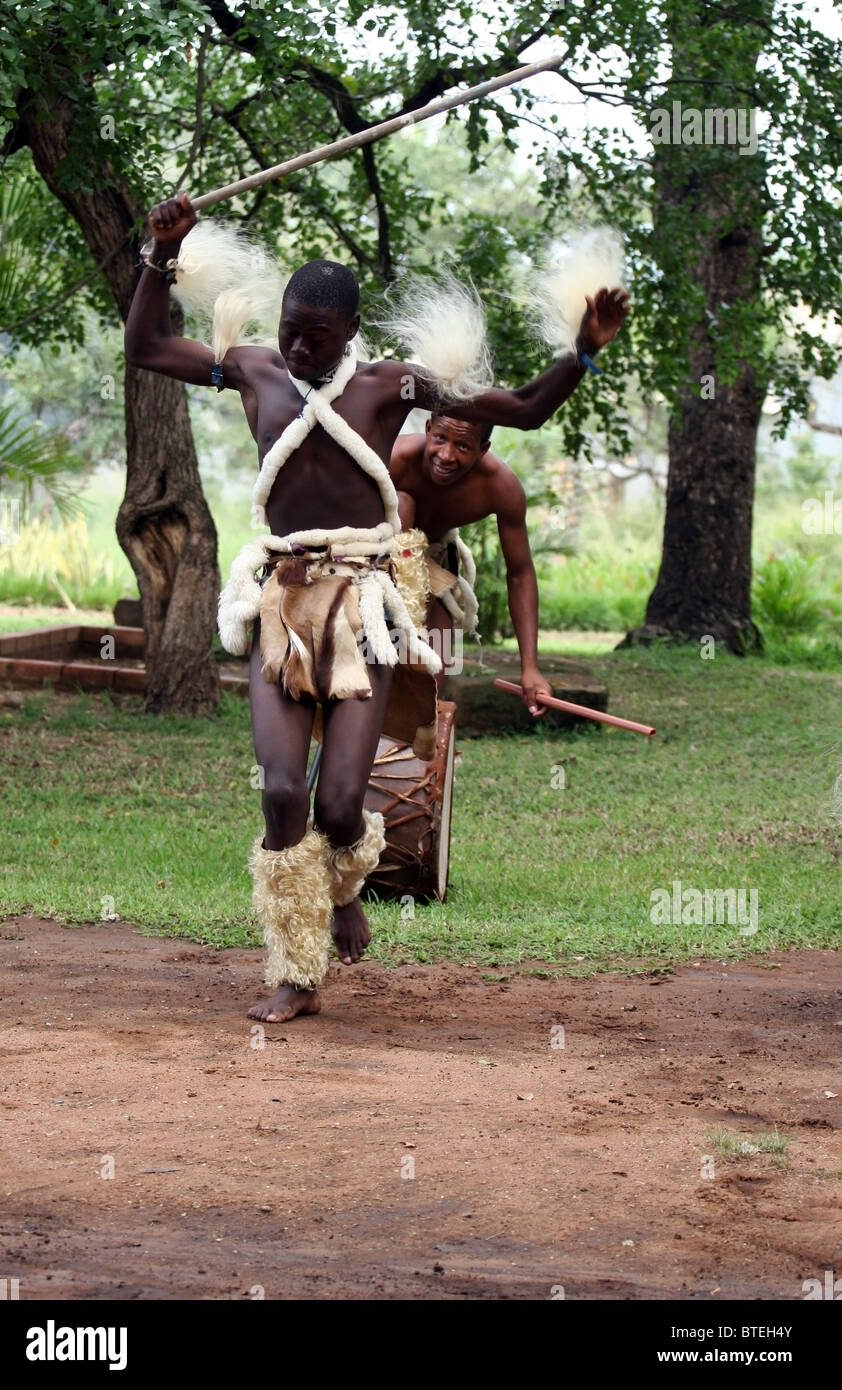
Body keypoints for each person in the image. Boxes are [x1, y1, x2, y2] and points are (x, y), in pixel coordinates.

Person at [124, 191, 628, 1023]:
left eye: (315, 335)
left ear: (349, 332)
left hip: (365, 604)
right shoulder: (250, 369)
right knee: (283, 791)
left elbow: (522, 410)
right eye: (289, 327)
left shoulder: (393, 386)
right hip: (284, 601)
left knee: (336, 803)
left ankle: (347, 888)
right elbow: (146, 345)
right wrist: (159, 255)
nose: (296, 345)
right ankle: (297, 968)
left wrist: (582, 351)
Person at [390, 411, 562, 714]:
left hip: (432, 567)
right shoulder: (395, 457)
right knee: (403, 503)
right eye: (440, 438)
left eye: (463, 446)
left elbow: (520, 574)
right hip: (371, 560)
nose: (446, 455)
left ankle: (412, 747)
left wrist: (530, 668)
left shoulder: (500, 486)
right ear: (428, 429)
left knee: (431, 681)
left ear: (483, 449)